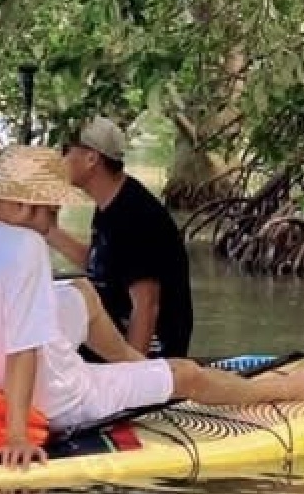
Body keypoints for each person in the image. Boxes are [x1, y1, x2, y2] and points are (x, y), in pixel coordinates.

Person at [0, 146, 304, 468]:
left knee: (81, 292)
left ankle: (131, 365)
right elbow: (22, 349)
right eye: (51, 214)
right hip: (53, 398)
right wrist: (17, 433)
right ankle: (280, 388)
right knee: (186, 373)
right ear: (24, 208)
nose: (51, 225)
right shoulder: (24, 245)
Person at [42, 116, 196, 358]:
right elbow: (100, 266)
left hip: (149, 348)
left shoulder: (135, 216)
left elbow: (146, 306)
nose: (61, 159)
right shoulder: (110, 203)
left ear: (92, 158)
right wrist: (48, 231)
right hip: (113, 333)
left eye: (66, 151)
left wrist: (133, 377)